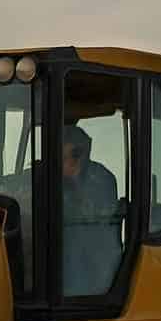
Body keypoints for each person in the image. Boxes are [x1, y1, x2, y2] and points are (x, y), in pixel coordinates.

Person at [60, 124, 122, 296]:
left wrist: (74, 181)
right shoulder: (52, 179)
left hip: (94, 272)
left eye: (73, 155)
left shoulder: (101, 179)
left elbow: (92, 219)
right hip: (63, 264)